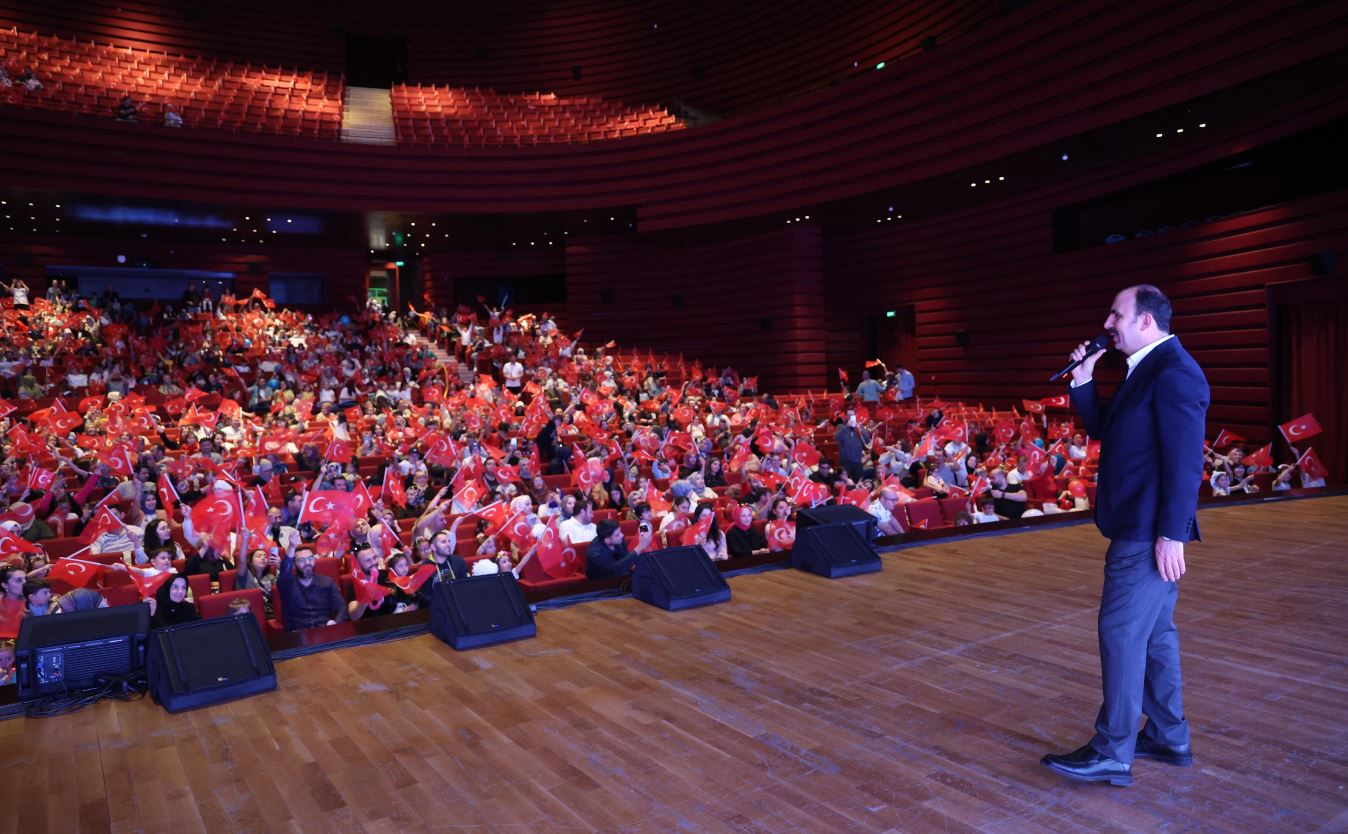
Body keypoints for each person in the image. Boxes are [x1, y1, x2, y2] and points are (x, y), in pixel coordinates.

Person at [1042, 285, 1208, 787]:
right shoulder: (1146, 368)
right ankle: (1168, 734)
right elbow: (1112, 433)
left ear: (1146, 322)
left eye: (1117, 313)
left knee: (1119, 634)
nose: (1108, 322)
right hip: (1139, 523)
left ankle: (1114, 749)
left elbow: (1185, 464)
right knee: (1156, 637)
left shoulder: (1175, 373)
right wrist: (1084, 380)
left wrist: (1171, 535)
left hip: (1145, 530)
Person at [276, 542, 348, 631]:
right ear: (294, 565)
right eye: (301, 560)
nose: (307, 563)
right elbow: (285, 571)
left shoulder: (327, 582)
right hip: (297, 635)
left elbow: (342, 606)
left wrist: (336, 623)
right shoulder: (286, 584)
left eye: (310, 558)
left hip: (324, 630)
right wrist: (291, 546)